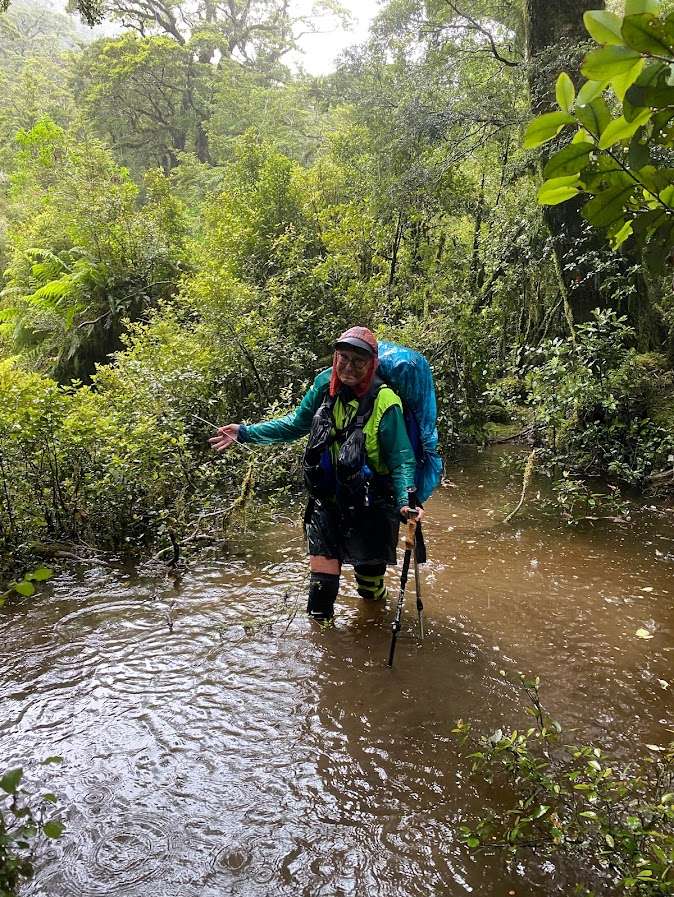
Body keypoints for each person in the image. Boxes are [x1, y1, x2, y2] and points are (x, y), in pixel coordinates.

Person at [210, 326, 425, 622]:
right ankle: (324, 655)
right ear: (335, 357)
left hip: (371, 504)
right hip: (328, 500)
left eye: (358, 361)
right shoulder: (325, 387)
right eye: (343, 358)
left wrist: (405, 500)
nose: (348, 367)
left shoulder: (386, 403)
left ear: (372, 363)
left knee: (369, 589)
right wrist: (245, 433)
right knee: (320, 594)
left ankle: (372, 628)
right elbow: (294, 425)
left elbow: (401, 460)